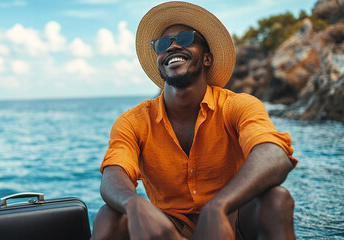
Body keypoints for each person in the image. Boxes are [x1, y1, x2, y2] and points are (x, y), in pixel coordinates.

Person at [91, 2, 298, 240]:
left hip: (231, 218)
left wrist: (218, 206)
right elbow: (113, 174)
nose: (173, 46)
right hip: (166, 228)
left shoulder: (238, 105)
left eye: (186, 38)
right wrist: (133, 203)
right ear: (159, 60)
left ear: (208, 58)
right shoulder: (133, 121)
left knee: (277, 200)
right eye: (163, 44)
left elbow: (274, 155)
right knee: (109, 215)